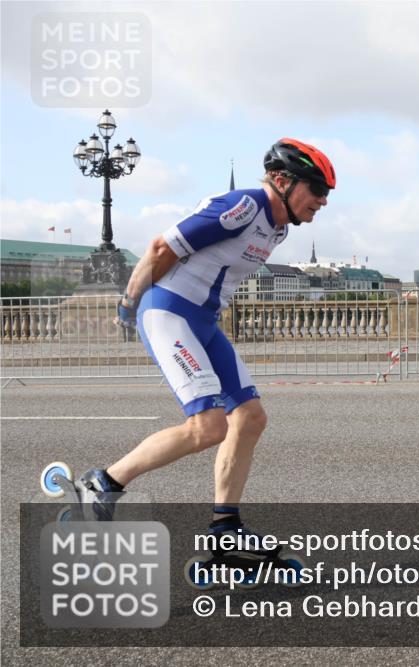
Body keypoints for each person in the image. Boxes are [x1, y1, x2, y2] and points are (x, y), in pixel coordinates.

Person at [72, 138, 335, 545]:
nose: (323, 200)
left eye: (327, 194)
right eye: (317, 189)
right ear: (283, 180)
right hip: (170, 311)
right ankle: (103, 482)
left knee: (250, 418)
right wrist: (128, 303)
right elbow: (161, 246)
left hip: (204, 321)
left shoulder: (279, 228)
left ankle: (225, 527)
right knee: (209, 426)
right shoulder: (244, 207)